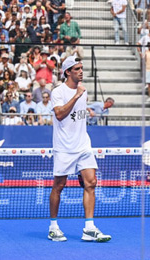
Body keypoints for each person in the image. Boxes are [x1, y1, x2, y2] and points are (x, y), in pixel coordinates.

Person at [48, 55, 111, 242]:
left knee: (91, 182)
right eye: (77, 69)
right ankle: (53, 227)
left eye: (81, 68)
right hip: (64, 147)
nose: (81, 71)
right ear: (67, 72)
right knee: (58, 186)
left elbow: (77, 116)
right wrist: (76, 96)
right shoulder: (58, 92)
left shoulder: (84, 92)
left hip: (83, 145)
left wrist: (84, 106)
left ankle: (89, 228)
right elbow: (59, 115)